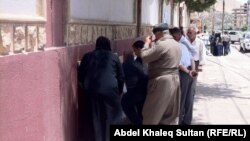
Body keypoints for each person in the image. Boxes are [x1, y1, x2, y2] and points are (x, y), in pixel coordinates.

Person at [78, 36, 124, 141]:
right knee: (111, 116)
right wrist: (119, 91)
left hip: (92, 91)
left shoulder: (87, 56)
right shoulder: (113, 57)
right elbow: (121, 77)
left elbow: (80, 75)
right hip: (110, 91)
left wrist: (85, 87)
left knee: (95, 117)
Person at [134, 23, 181, 125]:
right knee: (168, 116)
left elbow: (145, 56)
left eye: (155, 34)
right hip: (174, 80)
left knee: (151, 114)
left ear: (159, 33)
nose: (154, 36)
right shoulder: (176, 44)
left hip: (162, 82)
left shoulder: (162, 44)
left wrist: (146, 43)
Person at [169, 27, 197, 125]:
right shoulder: (184, 45)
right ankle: (186, 121)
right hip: (190, 72)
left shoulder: (176, 46)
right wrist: (192, 70)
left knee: (181, 98)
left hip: (184, 73)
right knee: (189, 98)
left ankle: (179, 121)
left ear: (173, 36)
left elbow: (179, 64)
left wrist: (189, 72)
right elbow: (192, 58)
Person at [121, 40, 148, 125]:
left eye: (135, 50)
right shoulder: (138, 62)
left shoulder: (126, 65)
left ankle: (138, 122)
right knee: (140, 109)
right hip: (144, 90)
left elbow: (120, 78)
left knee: (124, 102)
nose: (135, 53)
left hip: (135, 91)